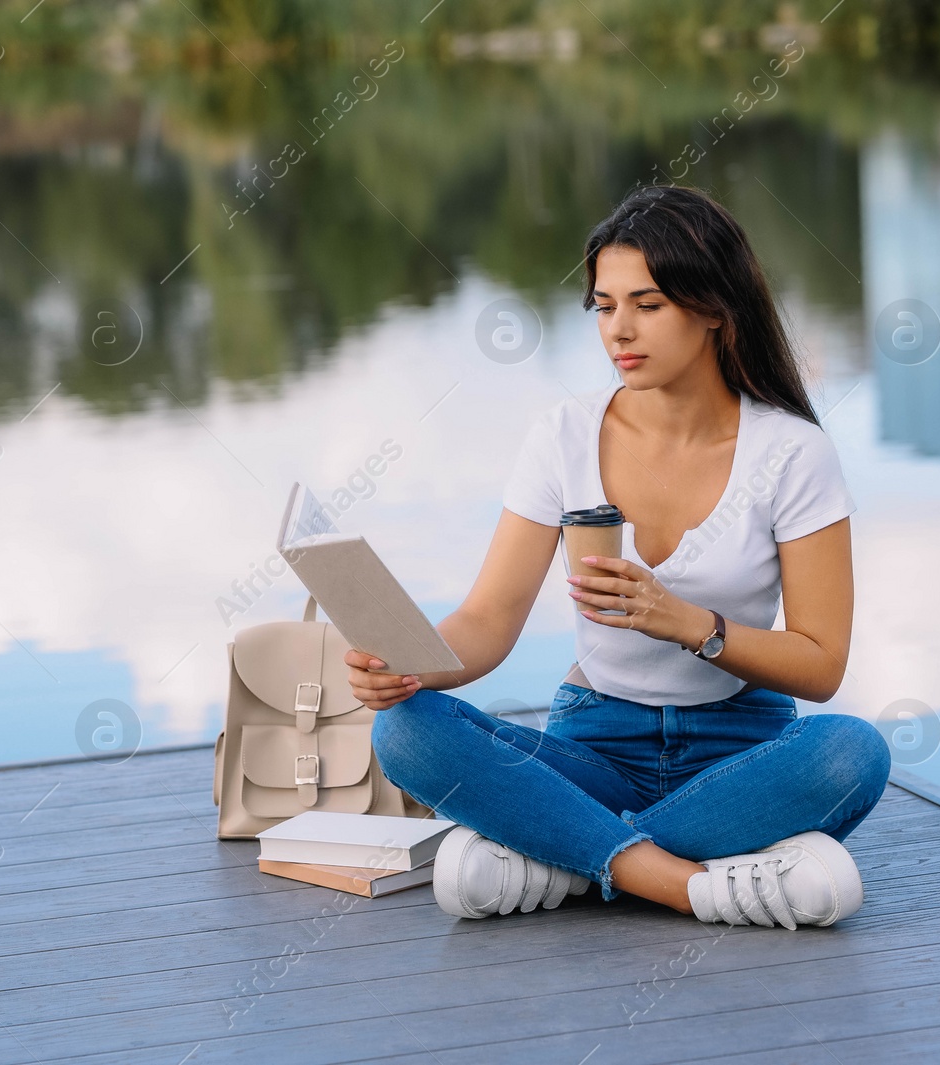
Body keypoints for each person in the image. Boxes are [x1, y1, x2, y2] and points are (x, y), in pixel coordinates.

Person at [356, 184, 891, 929]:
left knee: (852, 754)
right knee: (405, 729)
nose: (619, 330)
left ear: (712, 307)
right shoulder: (564, 435)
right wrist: (413, 667)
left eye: (648, 303)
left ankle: (566, 856)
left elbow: (822, 664)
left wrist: (688, 623)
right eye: (605, 306)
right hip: (596, 746)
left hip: (738, 752)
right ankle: (682, 880)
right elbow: (488, 618)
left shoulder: (792, 453)